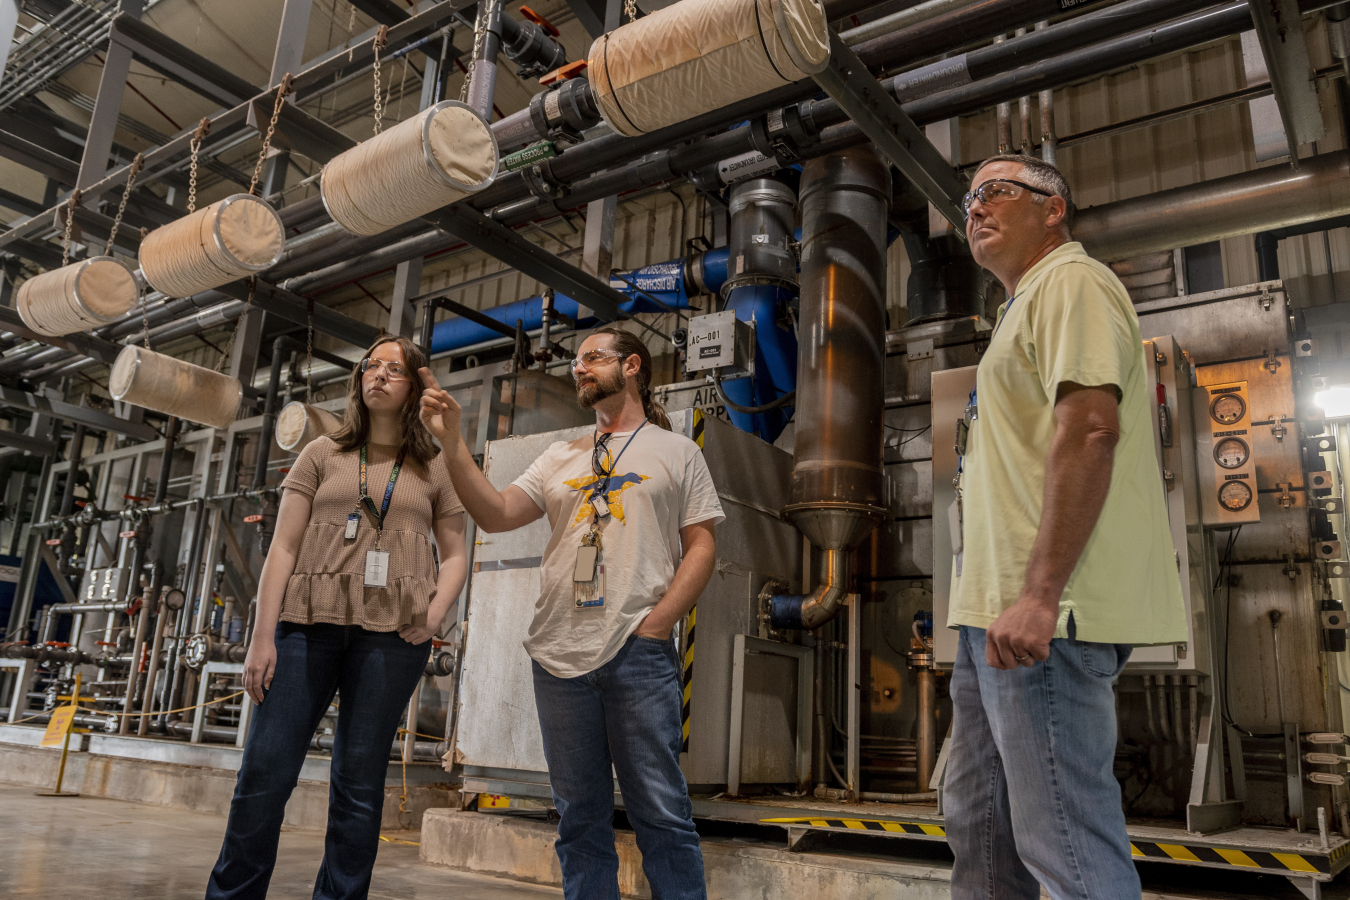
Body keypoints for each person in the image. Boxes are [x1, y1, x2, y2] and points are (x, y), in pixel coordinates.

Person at [946, 154, 1186, 900]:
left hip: (1044, 615)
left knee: (1066, 847)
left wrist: (1040, 593)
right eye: (969, 198)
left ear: (1053, 210)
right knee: (982, 834)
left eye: (997, 192)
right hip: (989, 614)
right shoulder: (1017, 310)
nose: (976, 208)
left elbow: (1090, 431)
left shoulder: (1071, 282)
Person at [418, 325, 722, 900]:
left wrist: (657, 623)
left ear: (632, 366)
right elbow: (496, 514)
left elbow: (702, 545)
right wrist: (453, 441)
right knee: (578, 817)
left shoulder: (678, 450)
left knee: (660, 812)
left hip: (638, 651)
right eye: (576, 362)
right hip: (558, 656)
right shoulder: (558, 455)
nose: (579, 368)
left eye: (593, 358)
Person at [205, 335, 468, 900]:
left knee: (358, 783)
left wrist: (435, 612)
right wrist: (261, 637)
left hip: (394, 639)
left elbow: (456, 552)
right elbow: (282, 548)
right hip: (305, 629)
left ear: (417, 384)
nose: (379, 375)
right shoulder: (321, 453)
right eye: (371, 365)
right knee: (265, 774)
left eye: (394, 369)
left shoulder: (435, 465)